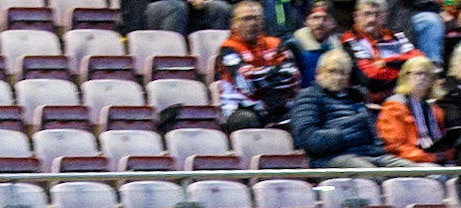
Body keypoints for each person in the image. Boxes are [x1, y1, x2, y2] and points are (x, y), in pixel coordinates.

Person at [292, 49, 424, 164]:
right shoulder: (308, 97)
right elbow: (309, 140)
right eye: (332, 71)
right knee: (373, 177)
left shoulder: (358, 96)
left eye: (343, 73)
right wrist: (349, 132)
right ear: (318, 72)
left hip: (371, 154)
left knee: (418, 172)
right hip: (332, 158)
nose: (337, 77)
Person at [216, 0, 302, 129]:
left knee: (303, 117)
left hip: (277, 108)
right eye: (246, 19)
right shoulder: (228, 49)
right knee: (246, 120)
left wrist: (258, 74)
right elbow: (246, 83)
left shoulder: (275, 43)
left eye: (257, 18)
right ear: (234, 23)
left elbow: (294, 76)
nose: (252, 23)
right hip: (241, 110)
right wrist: (276, 72)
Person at [377, 55, 451, 161]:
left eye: (427, 74)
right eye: (418, 73)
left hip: (432, 158)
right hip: (407, 161)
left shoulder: (433, 107)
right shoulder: (394, 106)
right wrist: (431, 158)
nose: (422, 78)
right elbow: (396, 148)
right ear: (405, 77)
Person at [347, 0, 421, 101]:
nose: (372, 19)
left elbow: (418, 60)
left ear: (384, 17)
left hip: (406, 94)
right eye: (367, 14)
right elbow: (370, 78)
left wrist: (386, 62)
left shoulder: (397, 36)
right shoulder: (351, 40)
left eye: (377, 14)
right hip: (371, 101)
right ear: (356, 16)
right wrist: (404, 72)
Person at [284, 0, 363, 86]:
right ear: (306, 22)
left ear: (333, 23)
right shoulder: (294, 46)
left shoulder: (343, 45)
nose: (320, 23)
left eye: (325, 19)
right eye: (315, 18)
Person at [145, 0, 234, 32]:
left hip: (194, 7)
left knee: (220, 7)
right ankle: (172, 58)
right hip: (160, 5)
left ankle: (219, 57)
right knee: (176, 7)